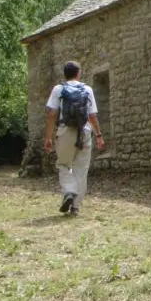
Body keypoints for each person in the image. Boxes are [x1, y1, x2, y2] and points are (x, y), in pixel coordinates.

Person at [43, 61, 105, 215]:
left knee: (63, 165)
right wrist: (99, 135)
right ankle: (75, 207)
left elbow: (51, 114)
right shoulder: (87, 89)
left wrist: (48, 137)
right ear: (78, 73)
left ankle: (69, 192)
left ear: (65, 74)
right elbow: (92, 116)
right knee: (81, 170)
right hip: (84, 131)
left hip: (65, 131)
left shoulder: (59, 89)